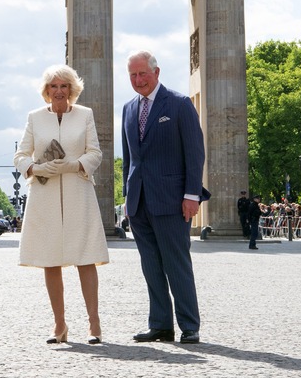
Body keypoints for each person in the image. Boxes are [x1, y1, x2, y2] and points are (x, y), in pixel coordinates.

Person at [14, 64, 108, 346]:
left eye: (64, 86)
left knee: (85, 256)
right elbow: (20, 155)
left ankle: (94, 323)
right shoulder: (34, 118)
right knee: (50, 260)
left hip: (78, 192)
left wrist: (75, 164)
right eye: (53, 86)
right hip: (44, 196)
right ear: (46, 90)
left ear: (72, 89)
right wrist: (34, 169)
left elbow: (96, 153)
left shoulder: (85, 115)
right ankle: (59, 324)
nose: (58, 91)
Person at [121, 50, 207, 345]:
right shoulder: (128, 108)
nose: (138, 79)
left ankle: (189, 325)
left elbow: (195, 153)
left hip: (173, 200)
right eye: (133, 74)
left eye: (143, 73)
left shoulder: (180, 104)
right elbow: (130, 159)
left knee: (176, 263)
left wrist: (192, 194)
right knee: (151, 266)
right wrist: (126, 200)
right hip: (139, 202)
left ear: (157, 73)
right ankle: (160, 324)